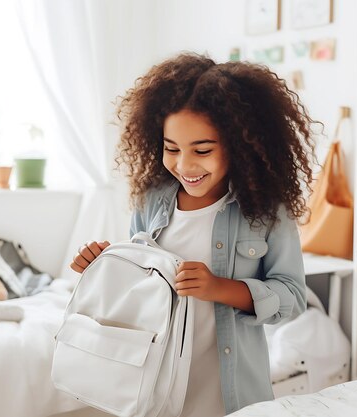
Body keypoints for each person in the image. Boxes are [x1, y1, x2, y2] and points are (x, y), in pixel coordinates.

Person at [70, 53, 315, 416]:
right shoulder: (152, 200)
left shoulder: (266, 210)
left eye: (202, 150)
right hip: (158, 384)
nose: (184, 165)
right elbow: (137, 288)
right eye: (172, 149)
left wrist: (220, 288)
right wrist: (104, 265)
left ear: (240, 146)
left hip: (230, 391)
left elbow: (293, 297)